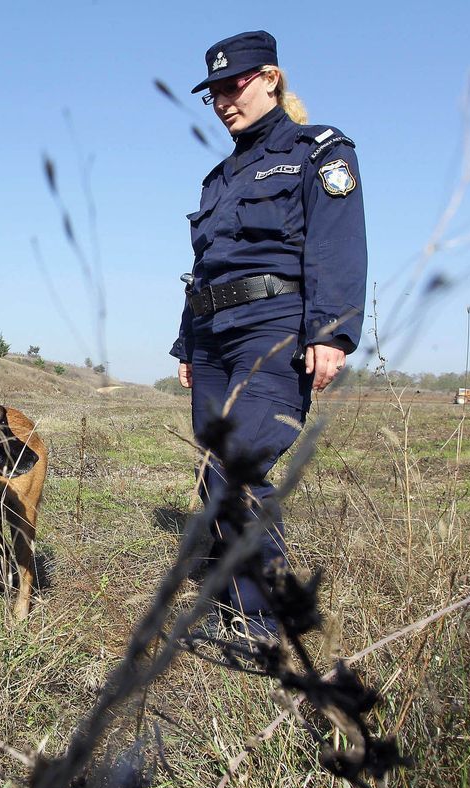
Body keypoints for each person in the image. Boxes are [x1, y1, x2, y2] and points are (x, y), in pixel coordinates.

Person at [171, 31, 367, 638]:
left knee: (239, 459)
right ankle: (233, 594)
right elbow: (207, 262)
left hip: (274, 326)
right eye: (215, 93)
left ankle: (264, 618)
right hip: (212, 335)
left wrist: (330, 332)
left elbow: (336, 244)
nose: (225, 100)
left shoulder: (318, 151)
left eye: (235, 85)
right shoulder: (219, 177)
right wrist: (186, 343)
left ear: (270, 79)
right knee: (216, 466)